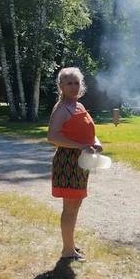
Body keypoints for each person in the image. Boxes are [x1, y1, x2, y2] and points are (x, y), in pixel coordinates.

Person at [47, 67, 102, 260]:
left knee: (75, 204)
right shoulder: (62, 109)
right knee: (70, 206)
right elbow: (52, 136)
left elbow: (90, 133)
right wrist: (81, 146)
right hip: (68, 162)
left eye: (76, 82)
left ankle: (69, 245)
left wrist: (96, 144)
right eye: (69, 83)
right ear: (61, 86)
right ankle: (67, 251)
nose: (73, 86)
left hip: (81, 161)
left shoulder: (78, 106)